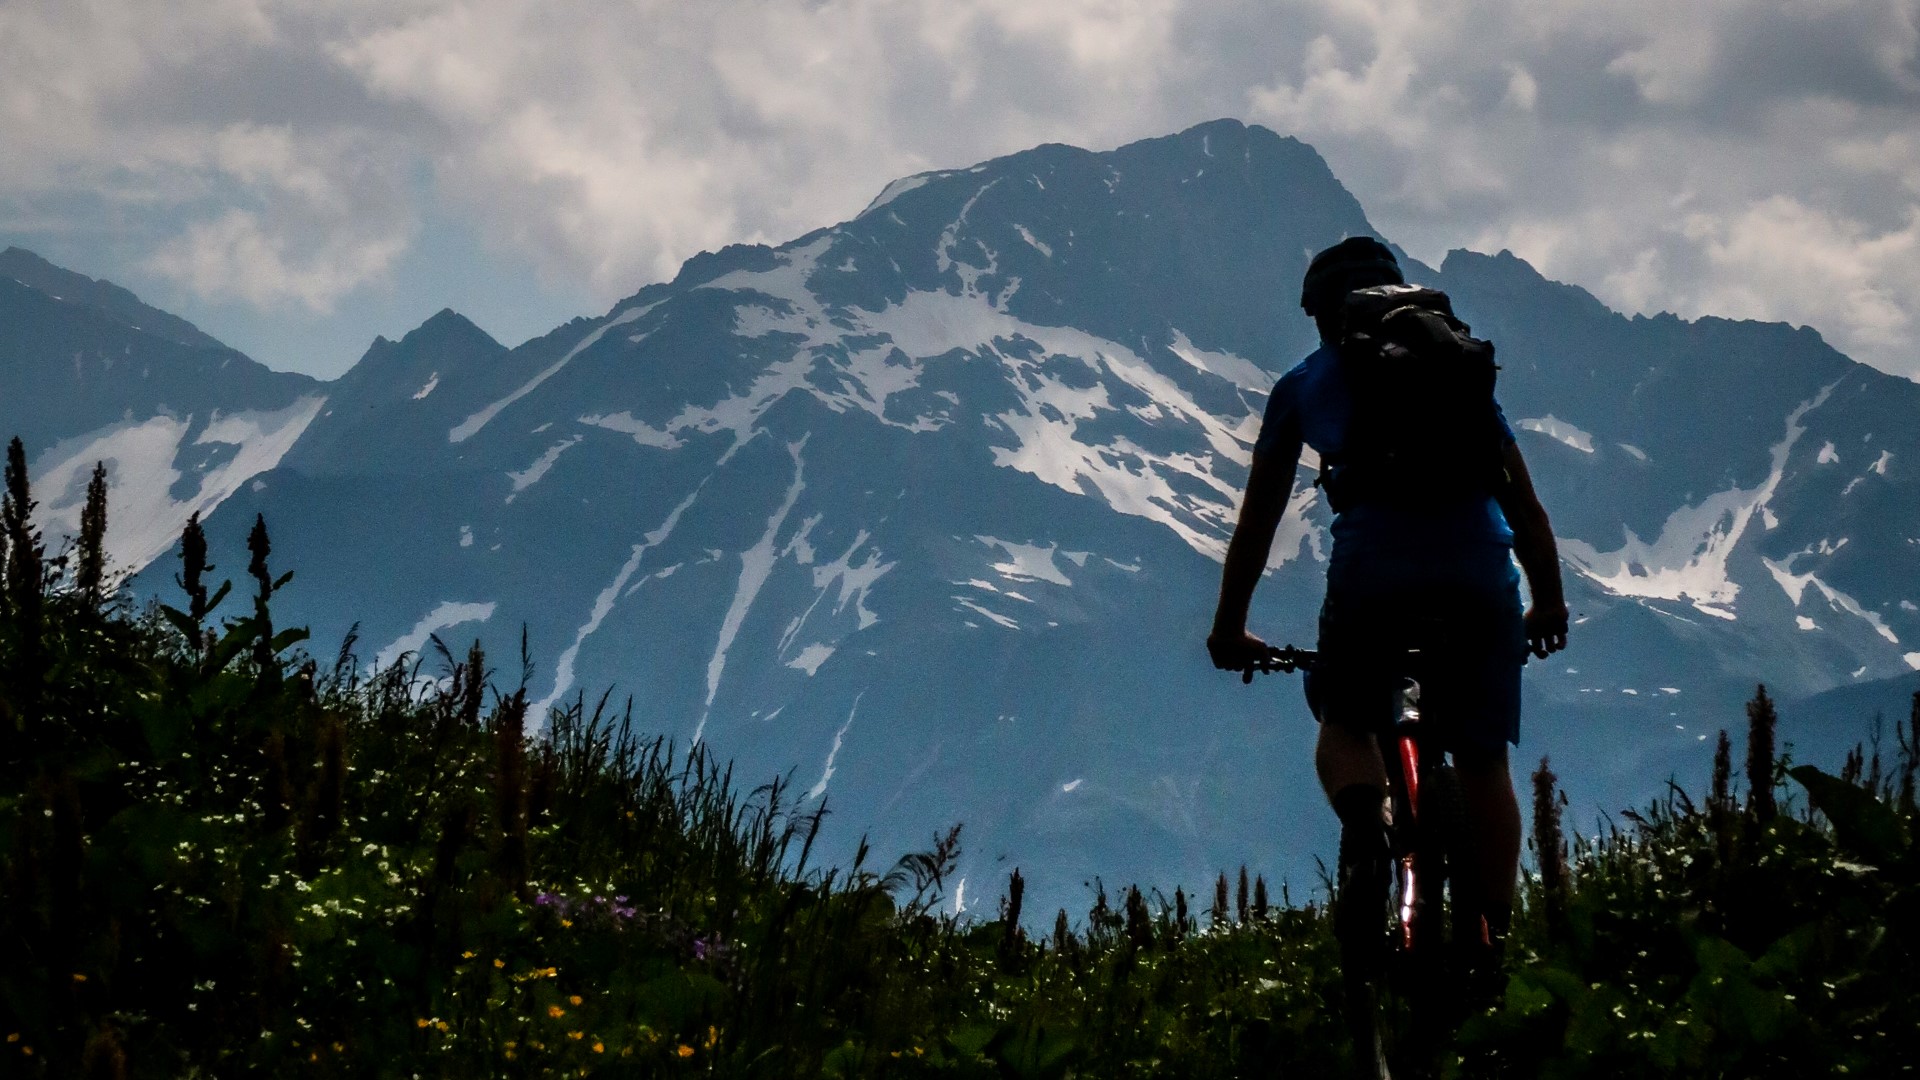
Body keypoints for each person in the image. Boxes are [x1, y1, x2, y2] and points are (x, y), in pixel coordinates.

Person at [1205, 236, 1569, 1074]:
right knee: (1483, 763)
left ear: (1320, 313)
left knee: (1345, 713)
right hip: (1482, 573)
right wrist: (1546, 599)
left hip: (1375, 576)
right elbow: (1523, 500)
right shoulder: (1457, 367)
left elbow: (1259, 520)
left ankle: (1368, 831)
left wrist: (1230, 625)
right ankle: (1490, 948)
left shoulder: (1307, 382)